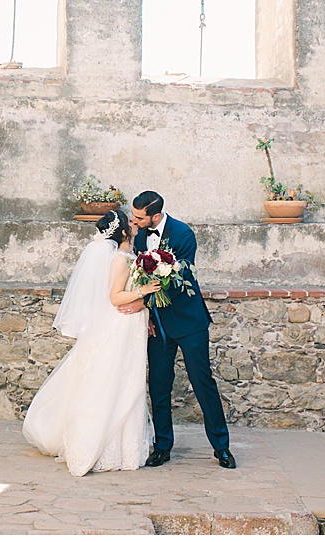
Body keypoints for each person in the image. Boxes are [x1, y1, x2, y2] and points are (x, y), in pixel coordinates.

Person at [23, 208, 161, 476]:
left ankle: (126, 446)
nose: (134, 224)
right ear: (123, 231)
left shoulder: (126, 254)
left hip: (131, 325)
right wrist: (145, 291)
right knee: (115, 382)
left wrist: (146, 312)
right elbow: (115, 298)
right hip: (120, 325)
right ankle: (95, 445)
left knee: (126, 382)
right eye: (130, 222)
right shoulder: (120, 259)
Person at [120, 190, 237, 470]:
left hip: (189, 322)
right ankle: (162, 446)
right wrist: (145, 309)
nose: (134, 222)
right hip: (157, 325)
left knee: (202, 382)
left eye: (139, 217)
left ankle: (221, 447)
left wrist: (142, 300)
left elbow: (177, 278)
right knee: (159, 385)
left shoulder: (183, 234)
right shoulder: (138, 236)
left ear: (155, 216)